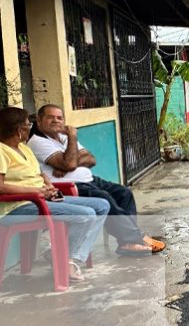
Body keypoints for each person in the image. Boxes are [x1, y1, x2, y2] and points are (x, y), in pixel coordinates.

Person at [27, 104, 165, 255]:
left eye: (59, 118)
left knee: (124, 193)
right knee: (105, 198)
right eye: (50, 117)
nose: (56, 121)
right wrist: (72, 141)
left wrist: (67, 164)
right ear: (39, 121)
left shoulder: (62, 137)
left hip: (90, 180)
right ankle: (133, 239)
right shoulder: (37, 141)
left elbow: (91, 159)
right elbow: (70, 162)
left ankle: (127, 242)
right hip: (67, 186)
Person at [0, 107, 110, 282]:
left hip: (40, 199)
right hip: (18, 207)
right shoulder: (1, 151)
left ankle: (68, 257)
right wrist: (35, 191)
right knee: (86, 215)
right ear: (18, 130)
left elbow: (38, 173)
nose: (31, 127)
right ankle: (66, 262)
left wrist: (48, 185)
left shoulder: (23, 148)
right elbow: (1, 187)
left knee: (102, 205)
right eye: (28, 125)